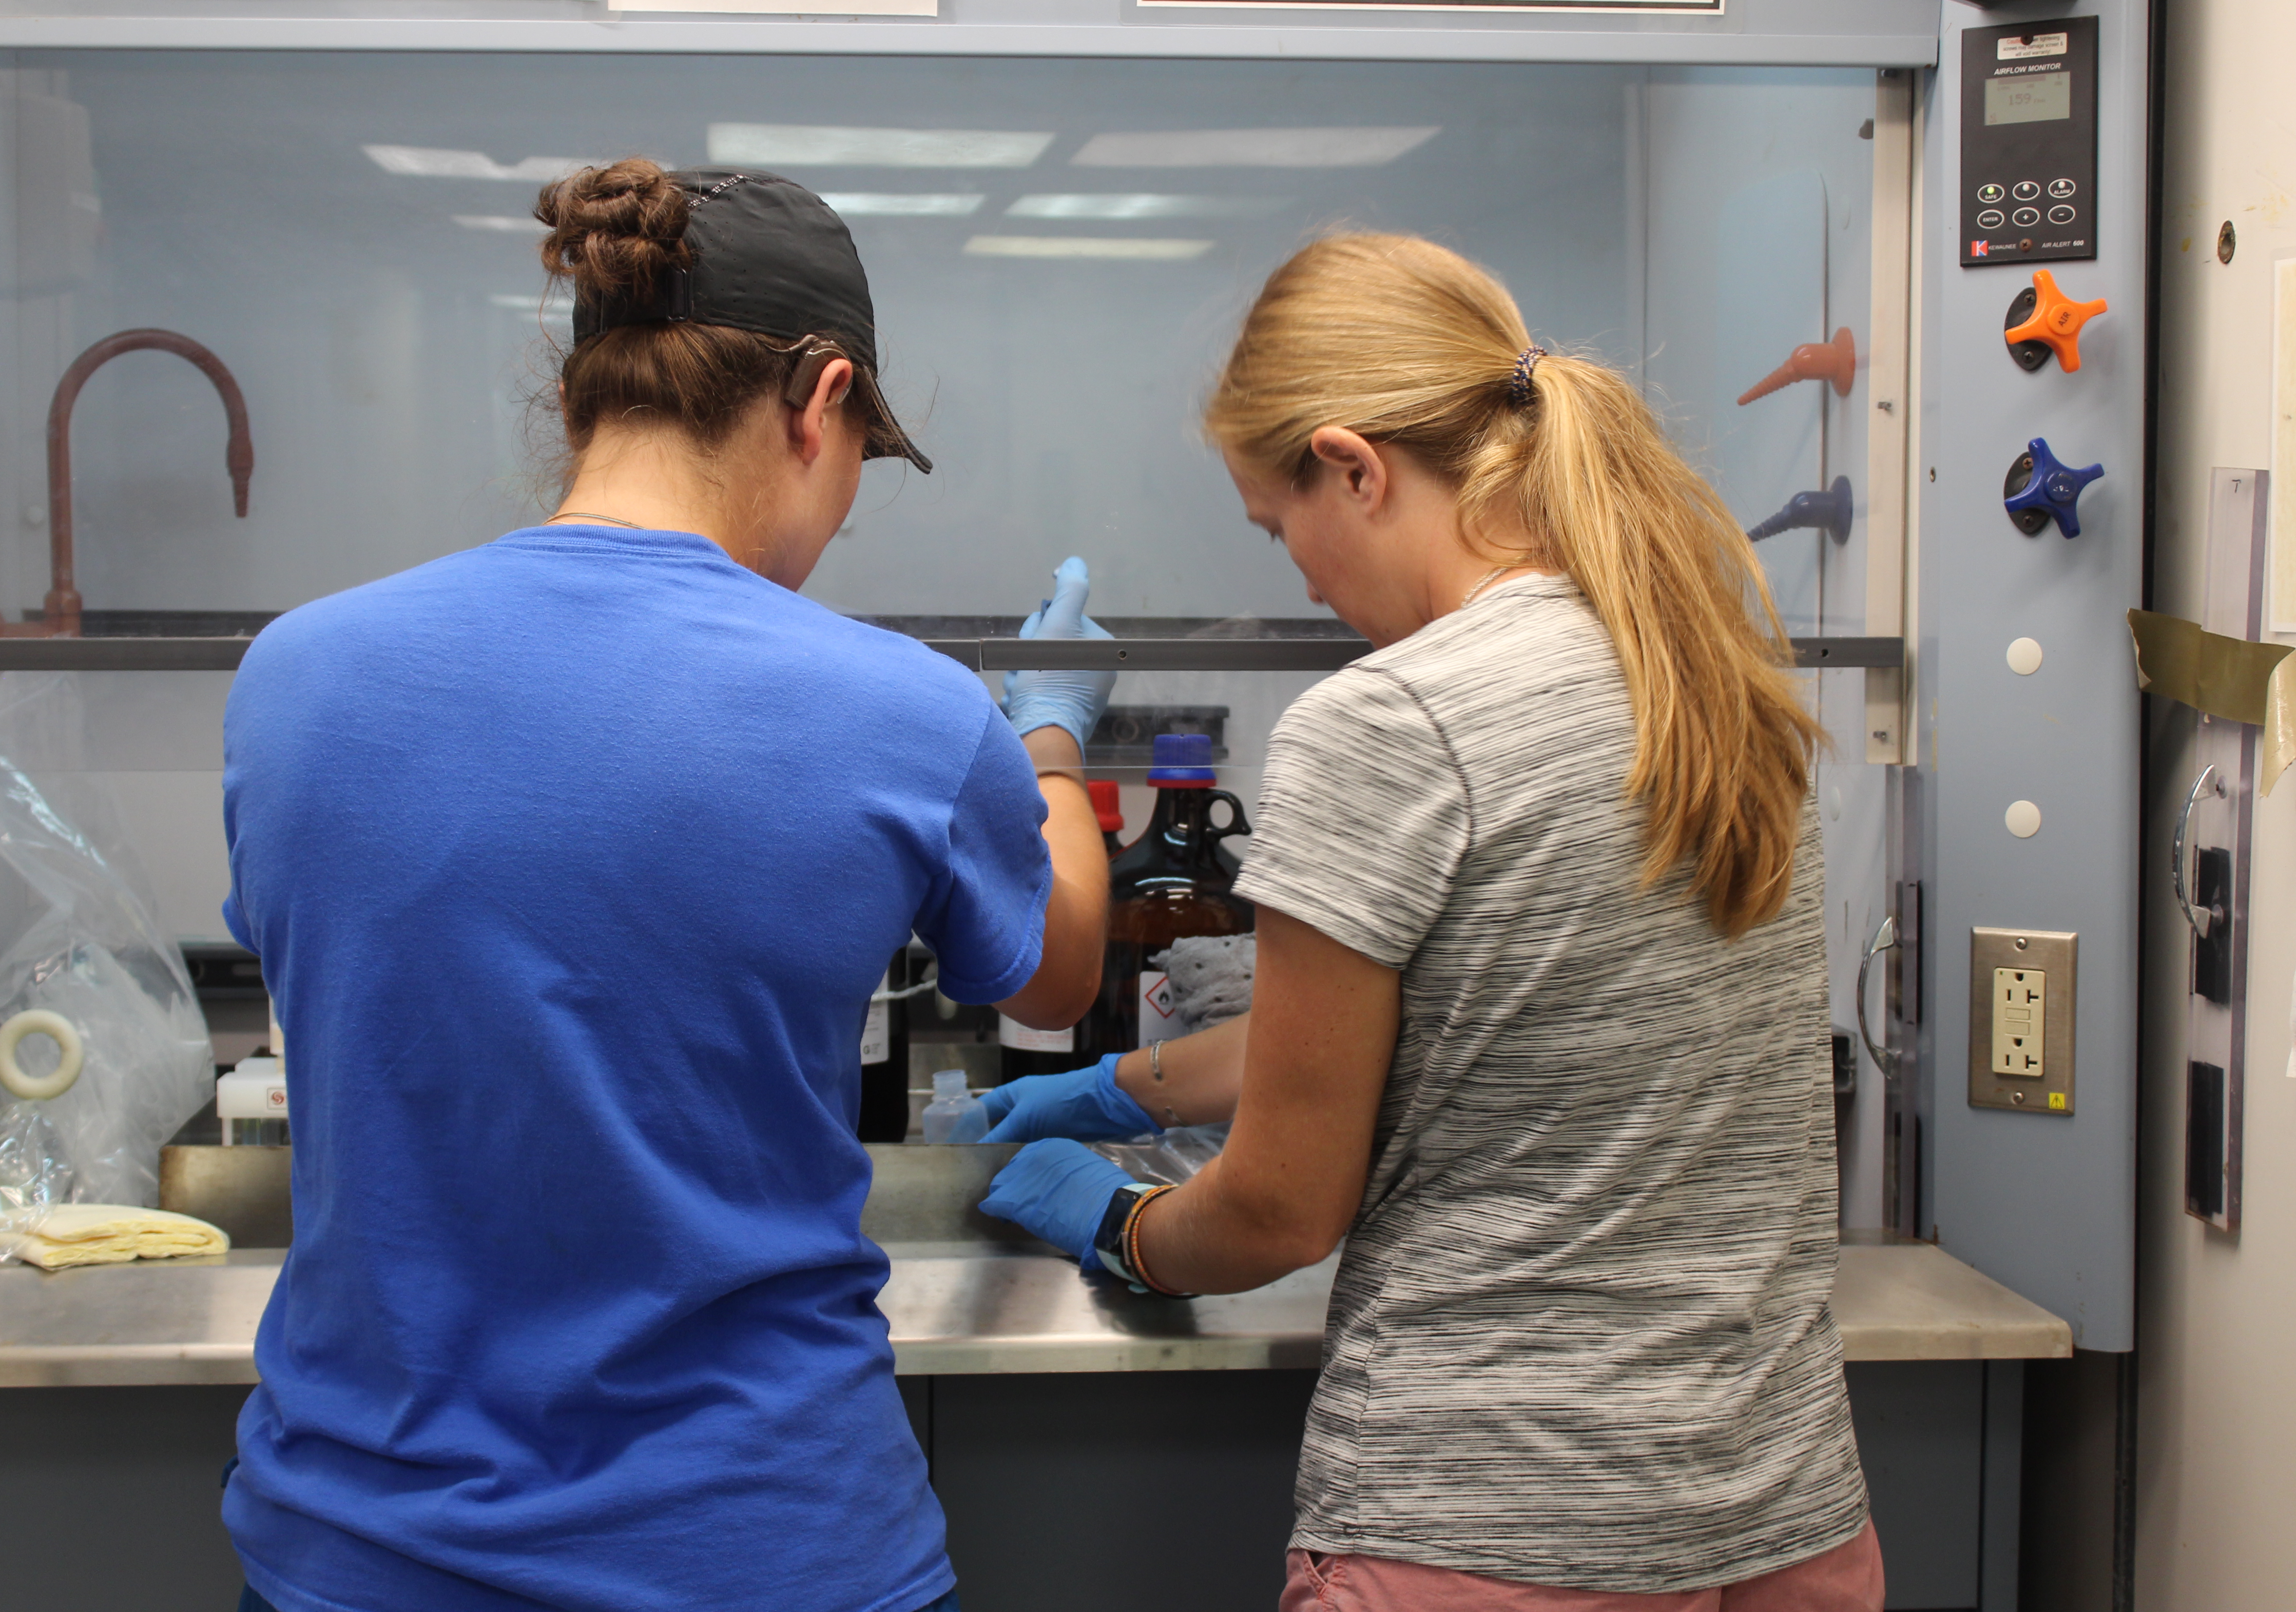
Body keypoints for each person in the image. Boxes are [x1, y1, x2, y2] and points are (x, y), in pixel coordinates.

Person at [216, 159, 1114, 1612]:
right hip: (765, 1553)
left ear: (582, 399)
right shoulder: (907, 712)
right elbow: (1059, 972)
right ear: (820, 401)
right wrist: (1053, 742)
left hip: (361, 1554)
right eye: (859, 466)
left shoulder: (296, 677)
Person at [978, 233, 1883, 1611]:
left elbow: (1282, 1210)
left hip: (1494, 1525)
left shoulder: (1390, 718)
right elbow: (1483, 1014)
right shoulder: (1709, 675)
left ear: (1352, 465)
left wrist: (1127, 1228)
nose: (1297, 578)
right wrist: (1124, 1085)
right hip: (1785, 1518)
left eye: (1278, 529)